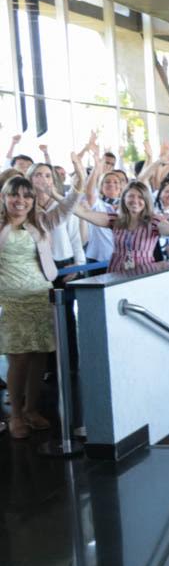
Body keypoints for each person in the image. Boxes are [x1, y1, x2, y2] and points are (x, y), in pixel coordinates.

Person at [0, 174, 83, 439]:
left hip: (39, 295)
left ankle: (31, 409)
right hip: (12, 300)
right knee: (19, 358)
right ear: (4, 197)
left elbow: (67, 208)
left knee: (39, 356)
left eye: (27, 196)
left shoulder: (40, 222)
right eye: (14, 195)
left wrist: (80, 178)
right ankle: (15, 415)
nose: (20, 200)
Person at [73, 180, 169, 272]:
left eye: (140, 197)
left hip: (144, 270)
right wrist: (60, 196)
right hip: (116, 269)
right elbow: (83, 213)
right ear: (124, 198)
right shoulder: (115, 220)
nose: (135, 201)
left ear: (146, 200)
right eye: (131, 196)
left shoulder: (154, 222)